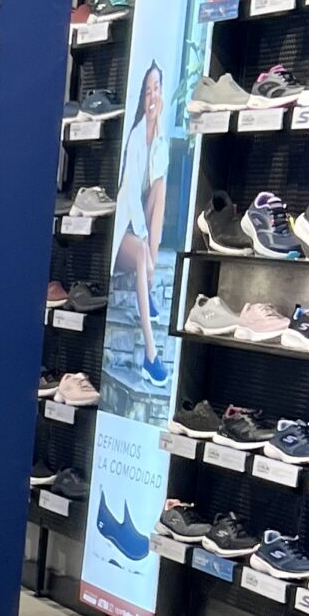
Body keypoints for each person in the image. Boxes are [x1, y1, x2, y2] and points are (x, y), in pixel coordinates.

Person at [112, 61, 171, 390]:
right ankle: (150, 354)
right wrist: (146, 243)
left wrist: (158, 125)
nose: (152, 96)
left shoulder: (158, 137)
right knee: (140, 257)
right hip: (126, 230)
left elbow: (159, 172)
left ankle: (149, 279)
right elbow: (132, 195)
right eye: (148, 91)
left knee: (161, 186)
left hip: (141, 230)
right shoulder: (135, 137)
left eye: (156, 89)